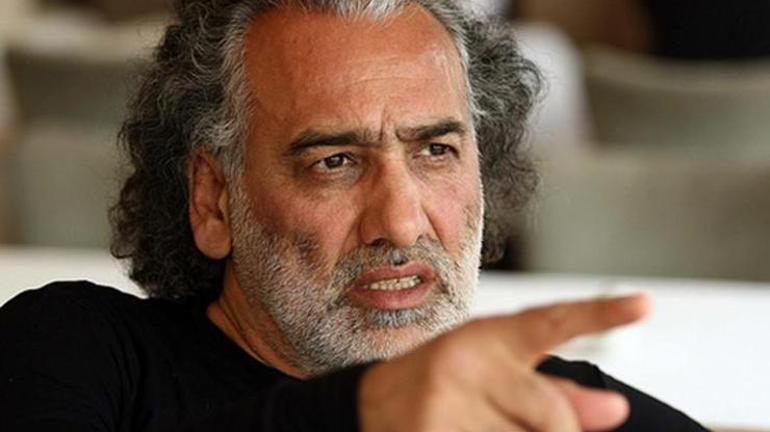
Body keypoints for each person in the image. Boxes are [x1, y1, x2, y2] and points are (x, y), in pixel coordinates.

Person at [0, 1, 708, 430]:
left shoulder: (547, 409)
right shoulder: (81, 351)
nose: (401, 224)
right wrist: (355, 413)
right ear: (214, 199)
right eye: (334, 161)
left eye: (435, 151)